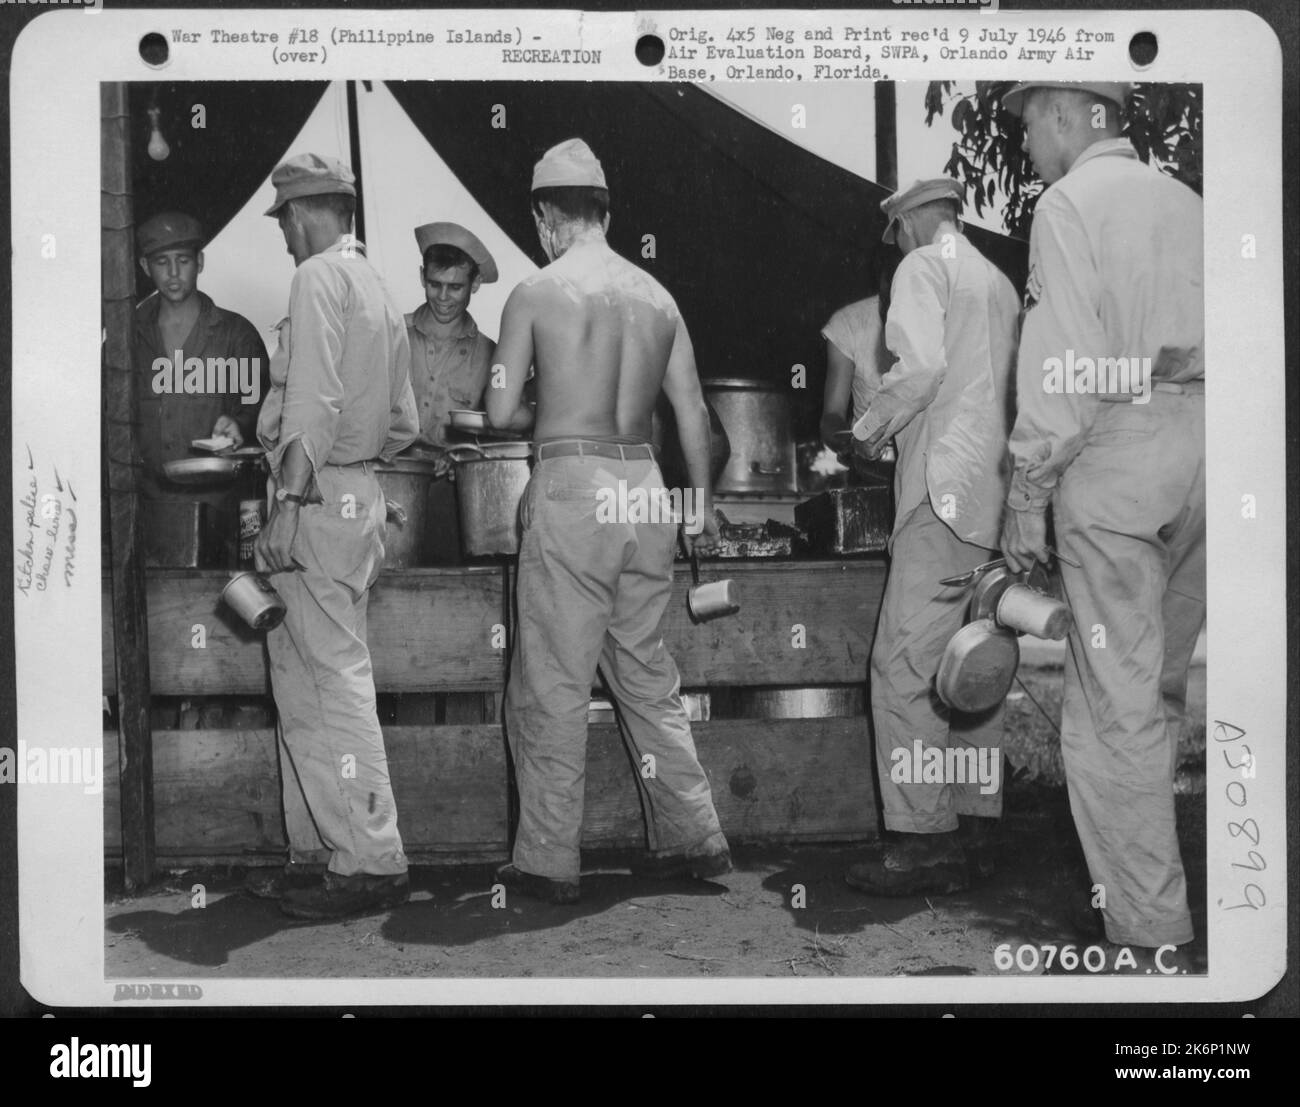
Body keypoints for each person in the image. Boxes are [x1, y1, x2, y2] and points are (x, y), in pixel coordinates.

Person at [486, 138, 730, 904]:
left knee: (552, 679)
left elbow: (496, 412)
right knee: (646, 669)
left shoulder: (535, 291)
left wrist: (544, 405)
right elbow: (692, 411)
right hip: (647, 487)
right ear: (606, 211)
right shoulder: (660, 298)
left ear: (545, 216)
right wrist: (702, 506)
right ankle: (696, 830)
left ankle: (549, 859)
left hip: (572, 480)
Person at [999, 82, 1204, 964]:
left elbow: (1064, 371)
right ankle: (1152, 892)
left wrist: (1025, 497)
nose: (1029, 147)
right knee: (1155, 688)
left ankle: (1149, 931)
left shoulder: (1069, 202)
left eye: (1030, 126)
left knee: (1112, 706)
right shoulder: (1188, 201)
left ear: (1065, 113)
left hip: (1122, 451)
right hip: (1214, 443)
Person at [252, 153, 420, 920]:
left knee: (333, 677)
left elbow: (313, 404)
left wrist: (287, 502)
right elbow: (407, 424)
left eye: (284, 219)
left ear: (301, 212)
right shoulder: (382, 288)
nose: (285, 235)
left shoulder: (318, 277)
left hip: (314, 497)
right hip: (358, 489)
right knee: (302, 679)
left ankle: (373, 857)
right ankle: (319, 848)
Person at [845, 178, 1020, 897]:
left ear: (912, 222)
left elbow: (918, 371)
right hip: (992, 496)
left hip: (940, 490)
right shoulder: (1000, 282)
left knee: (903, 667)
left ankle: (921, 839)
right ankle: (976, 824)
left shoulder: (922, 267)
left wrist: (863, 433)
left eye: (897, 232)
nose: (898, 245)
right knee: (971, 666)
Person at [134, 212, 267, 565]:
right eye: (162, 262)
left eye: (183, 261)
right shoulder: (125, 338)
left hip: (219, 512)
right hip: (146, 512)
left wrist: (239, 424)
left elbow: (263, 410)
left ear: (200, 262)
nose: (173, 273)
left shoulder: (236, 335)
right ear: (145, 266)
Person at [406, 221, 499, 458]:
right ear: (421, 276)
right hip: (387, 474)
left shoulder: (492, 355)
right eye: (435, 284)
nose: (443, 297)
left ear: (475, 283)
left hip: (451, 486)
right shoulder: (391, 334)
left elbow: (498, 428)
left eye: (455, 287)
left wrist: (461, 452)